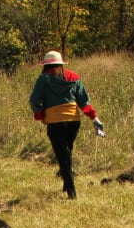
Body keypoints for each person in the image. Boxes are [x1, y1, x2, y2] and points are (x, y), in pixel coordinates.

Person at [28, 51, 103, 200]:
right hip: (74, 122)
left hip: (56, 123)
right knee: (67, 151)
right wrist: (94, 118)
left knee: (63, 157)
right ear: (61, 64)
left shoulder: (43, 80)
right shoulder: (73, 77)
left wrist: (41, 115)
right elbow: (84, 100)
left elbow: (34, 101)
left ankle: (72, 193)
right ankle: (66, 184)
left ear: (45, 65)